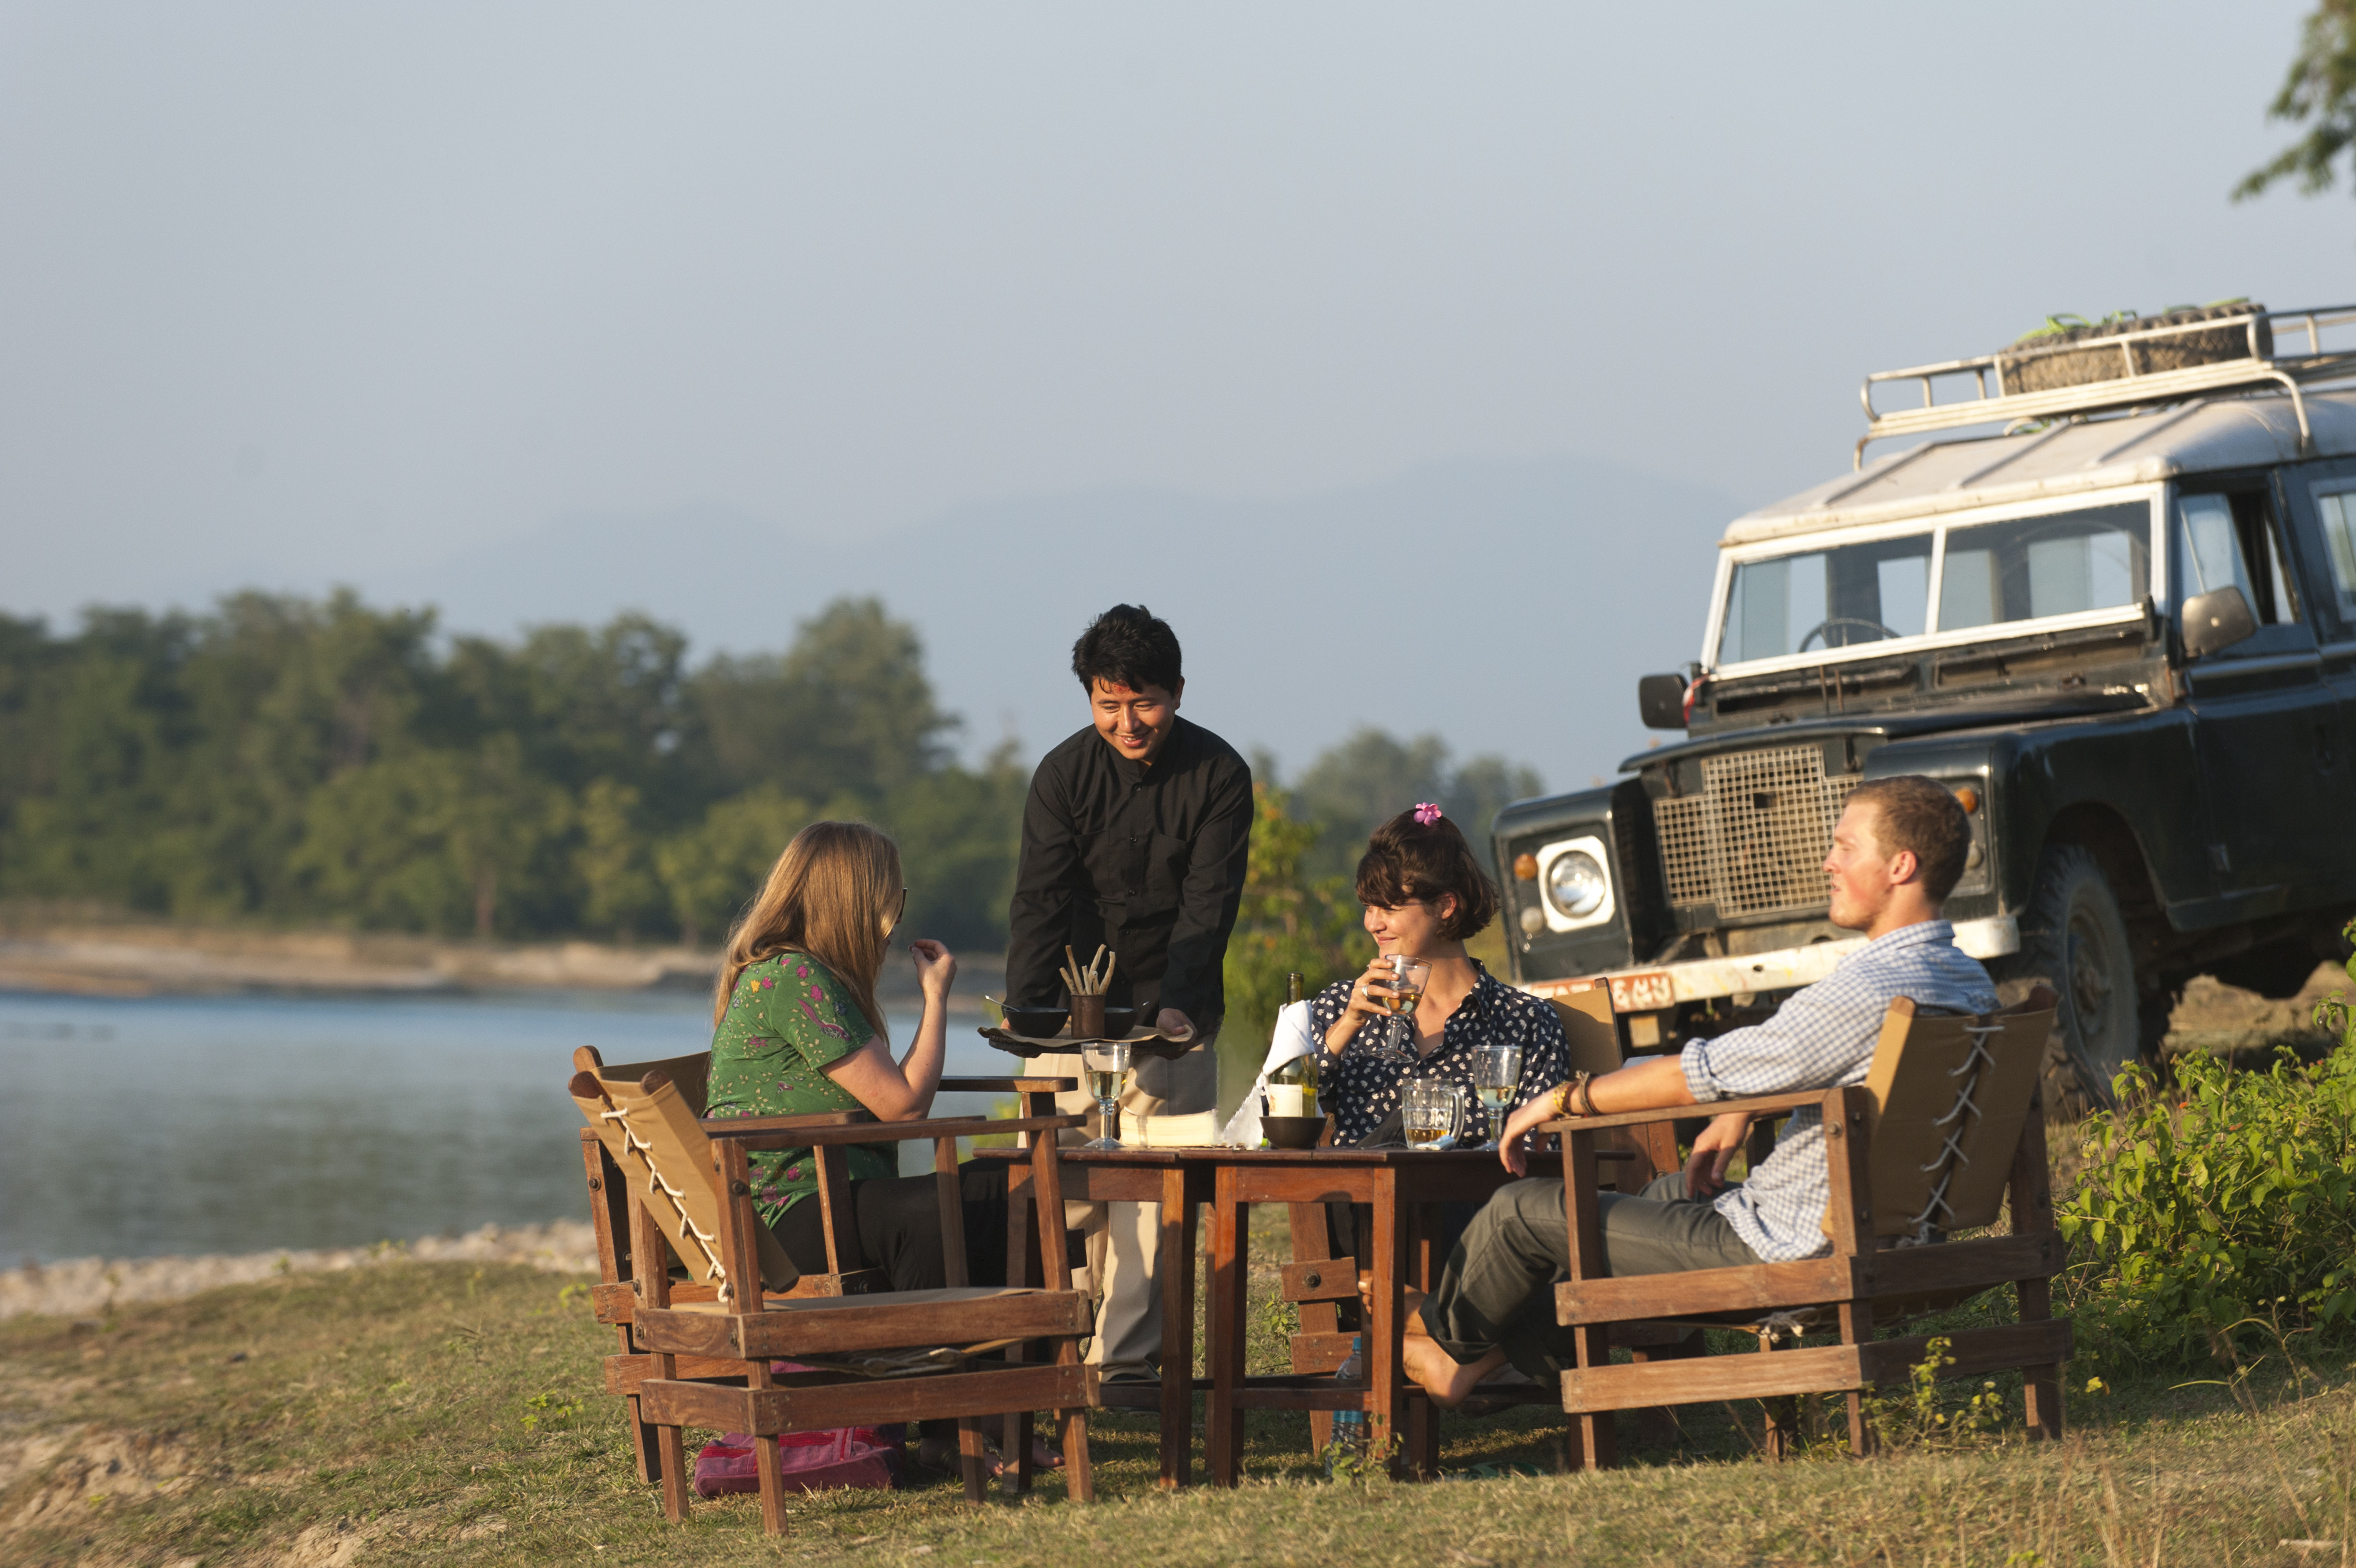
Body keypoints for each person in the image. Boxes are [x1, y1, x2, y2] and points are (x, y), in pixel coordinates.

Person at [1397, 776, 1998, 1406]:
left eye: (1846, 848)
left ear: (1899, 866)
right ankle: (1479, 1359)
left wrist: (1560, 1099)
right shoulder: (1962, 983)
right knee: (1667, 1192)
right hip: (1888, 1232)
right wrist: (1743, 1105)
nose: (1828, 861)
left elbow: (1694, 1075)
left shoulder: (1869, 989)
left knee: (1519, 1211)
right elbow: (1847, 1073)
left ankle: (1442, 1344)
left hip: (1789, 1249)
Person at [703, 818, 1055, 1471]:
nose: (890, 922)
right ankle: (954, 1425)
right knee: (939, 1207)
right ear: (852, 900)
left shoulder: (803, 977)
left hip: (827, 1203)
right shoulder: (792, 978)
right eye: (884, 902)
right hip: (784, 1222)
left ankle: (996, 1412)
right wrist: (936, 997)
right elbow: (902, 1104)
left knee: (1002, 1191)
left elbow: (896, 1100)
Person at [1005, 604, 1253, 1380]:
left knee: (1152, 1208)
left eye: (1143, 702)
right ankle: (1050, 1357)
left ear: (1176, 692)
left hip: (1173, 1020)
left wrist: (1176, 1004)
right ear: (1088, 698)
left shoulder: (1218, 774)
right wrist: (1026, 1014)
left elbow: (1207, 906)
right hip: (1068, 1019)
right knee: (1058, 1198)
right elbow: (1040, 901)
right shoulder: (1061, 775)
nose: (1127, 721)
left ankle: (1129, 1375)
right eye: (1108, 704)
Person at [1310, 804, 1570, 1149]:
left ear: (1446, 906)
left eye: (1389, 908)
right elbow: (1276, 1114)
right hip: (1364, 1196)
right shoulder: (1341, 1005)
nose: (1373, 924)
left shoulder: (1526, 1021)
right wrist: (1347, 1027)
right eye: (1368, 908)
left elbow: (1540, 1150)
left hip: (1479, 1199)